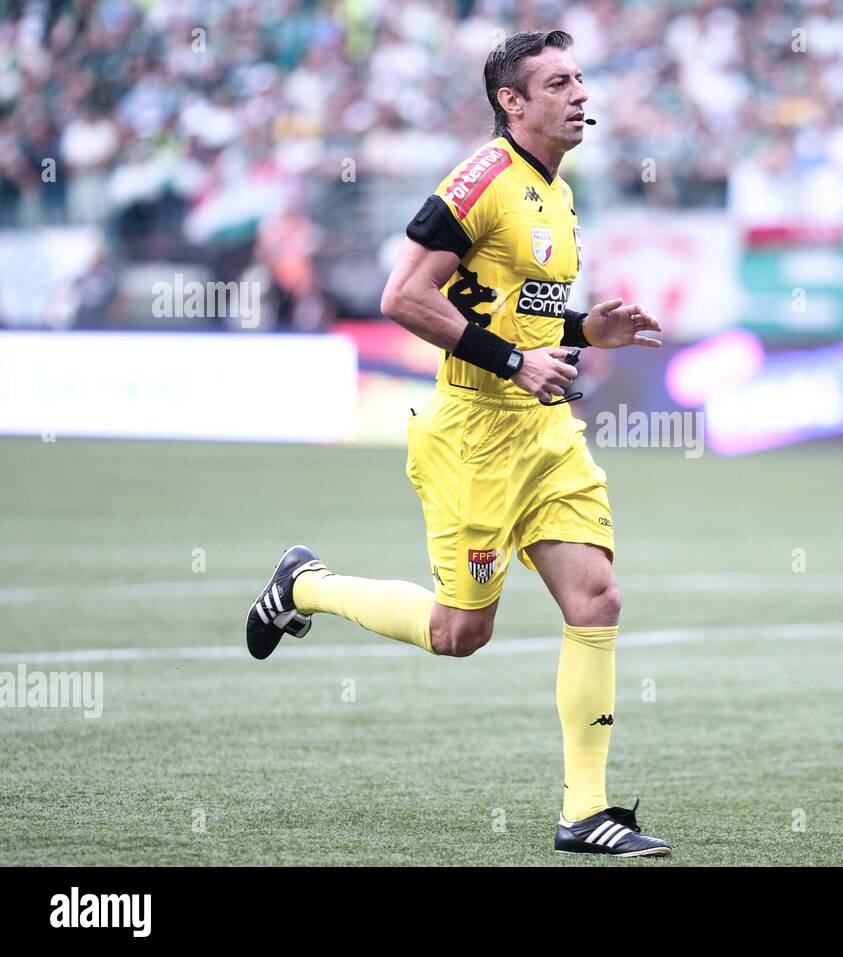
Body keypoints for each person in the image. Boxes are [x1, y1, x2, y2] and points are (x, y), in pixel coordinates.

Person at [244, 30, 669, 857]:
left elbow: (517, 306)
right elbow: (404, 295)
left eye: (582, 78)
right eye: (558, 82)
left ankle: (586, 811)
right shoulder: (484, 179)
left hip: (545, 430)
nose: (582, 93)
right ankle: (306, 586)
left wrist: (587, 329)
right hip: (472, 435)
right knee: (458, 634)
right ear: (513, 102)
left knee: (598, 600)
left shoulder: (556, 188)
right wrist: (514, 361)